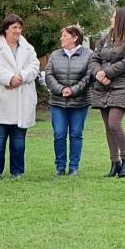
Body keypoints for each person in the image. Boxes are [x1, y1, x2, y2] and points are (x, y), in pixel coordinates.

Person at [0, 14, 40, 179]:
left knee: (18, 140)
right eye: (14, 27)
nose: (17, 31)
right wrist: (9, 78)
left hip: (22, 99)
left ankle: (17, 171)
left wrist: (21, 76)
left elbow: (35, 65)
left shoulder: (28, 48)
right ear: (6, 29)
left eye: (19, 28)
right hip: (2, 100)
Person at [90, 7, 125, 178]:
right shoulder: (106, 38)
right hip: (102, 86)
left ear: (122, 19)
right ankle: (114, 162)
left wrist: (107, 72)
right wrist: (98, 73)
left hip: (121, 85)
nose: (111, 20)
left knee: (114, 124)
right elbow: (94, 58)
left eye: (113, 17)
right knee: (108, 127)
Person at [45, 25, 93, 175]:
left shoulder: (89, 55)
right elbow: (48, 74)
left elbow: (89, 76)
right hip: (58, 102)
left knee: (76, 134)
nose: (62, 38)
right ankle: (60, 167)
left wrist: (74, 90)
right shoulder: (55, 55)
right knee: (59, 134)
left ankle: (73, 167)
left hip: (80, 102)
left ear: (75, 37)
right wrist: (60, 89)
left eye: (65, 36)